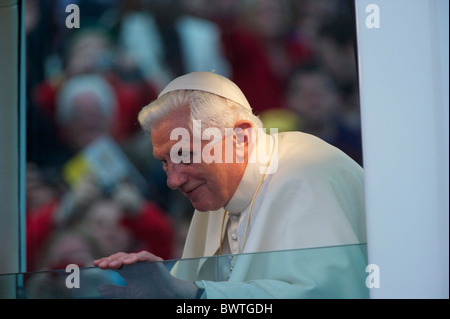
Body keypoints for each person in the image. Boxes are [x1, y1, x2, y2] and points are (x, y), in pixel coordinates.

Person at [93, 71, 367, 299]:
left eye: (185, 154)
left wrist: (194, 295)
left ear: (241, 138)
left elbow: (327, 294)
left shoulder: (308, 171)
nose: (173, 180)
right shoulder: (220, 191)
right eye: (165, 162)